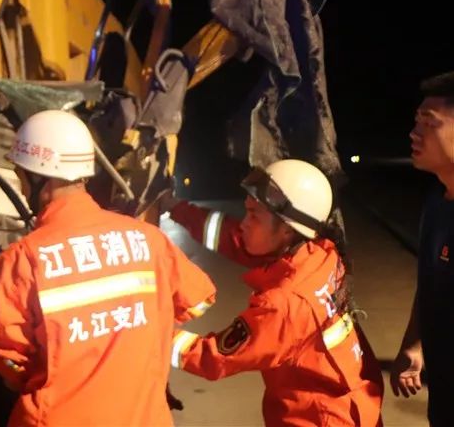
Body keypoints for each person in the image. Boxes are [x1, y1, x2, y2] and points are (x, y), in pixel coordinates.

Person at [0, 109, 217, 426]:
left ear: (39, 177)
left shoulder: (22, 259)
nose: (21, 187)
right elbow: (200, 299)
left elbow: (9, 363)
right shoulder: (148, 238)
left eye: (21, 175)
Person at [161, 159, 384, 426]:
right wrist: (177, 208)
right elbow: (234, 238)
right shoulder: (319, 252)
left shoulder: (284, 305)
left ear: (288, 229)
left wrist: (152, 336)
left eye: (254, 215)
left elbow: (213, 357)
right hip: (354, 404)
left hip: (317, 418)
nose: (244, 223)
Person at [390, 71, 454, 426]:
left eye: (429, 123)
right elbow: (431, 281)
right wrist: (415, 344)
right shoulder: (437, 204)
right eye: (417, 121)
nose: (414, 134)